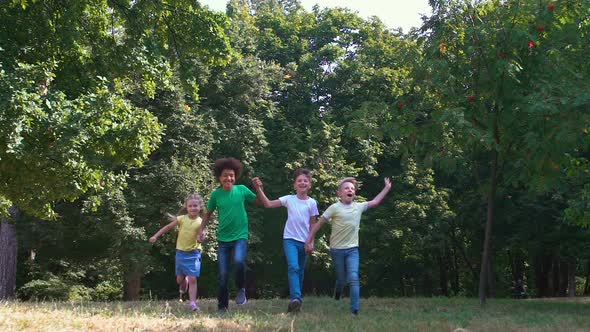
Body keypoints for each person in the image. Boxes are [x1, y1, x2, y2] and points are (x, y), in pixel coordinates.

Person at [305, 177, 392, 315]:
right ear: (339, 193)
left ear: (354, 193)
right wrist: (309, 240)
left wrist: (386, 188)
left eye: (352, 189)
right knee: (342, 278)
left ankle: (354, 310)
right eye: (346, 188)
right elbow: (318, 224)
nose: (350, 190)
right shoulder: (334, 208)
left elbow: (375, 202)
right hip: (336, 250)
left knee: (353, 277)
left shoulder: (359, 207)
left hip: (352, 250)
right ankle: (338, 291)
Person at [197, 157, 260, 314]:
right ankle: (222, 306)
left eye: (231, 175)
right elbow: (208, 214)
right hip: (223, 239)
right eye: (225, 175)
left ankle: (241, 289)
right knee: (223, 274)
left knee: (239, 262)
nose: (228, 178)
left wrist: (259, 188)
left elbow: (260, 201)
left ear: (235, 176)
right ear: (219, 177)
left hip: (240, 236)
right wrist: (201, 230)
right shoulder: (216, 195)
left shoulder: (242, 190)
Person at [252, 168, 319, 313]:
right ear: (294, 185)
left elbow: (313, 224)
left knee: (300, 271)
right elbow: (268, 204)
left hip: (305, 241)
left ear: (310, 185)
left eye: (305, 181)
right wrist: (258, 188)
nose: (302, 183)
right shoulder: (289, 199)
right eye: (299, 181)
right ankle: (295, 298)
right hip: (290, 239)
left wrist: (311, 241)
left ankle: (297, 303)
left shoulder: (312, 203)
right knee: (293, 267)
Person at [149, 194, 205, 311]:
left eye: (195, 205)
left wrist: (201, 238)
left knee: (193, 279)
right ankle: (183, 283)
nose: (193, 208)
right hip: (181, 253)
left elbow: (202, 234)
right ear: (186, 207)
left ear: (200, 207)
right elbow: (168, 227)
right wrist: (155, 236)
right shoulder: (182, 219)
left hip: (194, 253)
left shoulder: (201, 221)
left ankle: (193, 303)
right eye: (190, 206)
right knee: (179, 280)